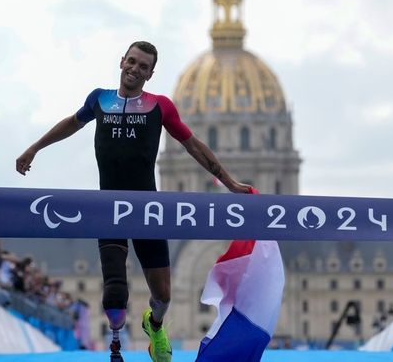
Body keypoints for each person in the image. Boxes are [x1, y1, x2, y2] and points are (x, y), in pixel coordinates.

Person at [16, 41, 252, 362]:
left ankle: (154, 325)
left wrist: (230, 182)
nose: (135, 69)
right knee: (115, 290)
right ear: (122, 61)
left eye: (143, 66)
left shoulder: (160, 106)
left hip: (147, 211)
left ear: (150, 74)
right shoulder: (100, 98)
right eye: (132, 61)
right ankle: (116, 348)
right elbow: (72, 122)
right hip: (110, 209)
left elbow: (193, 146)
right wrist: (35, 148)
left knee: (164, 296)